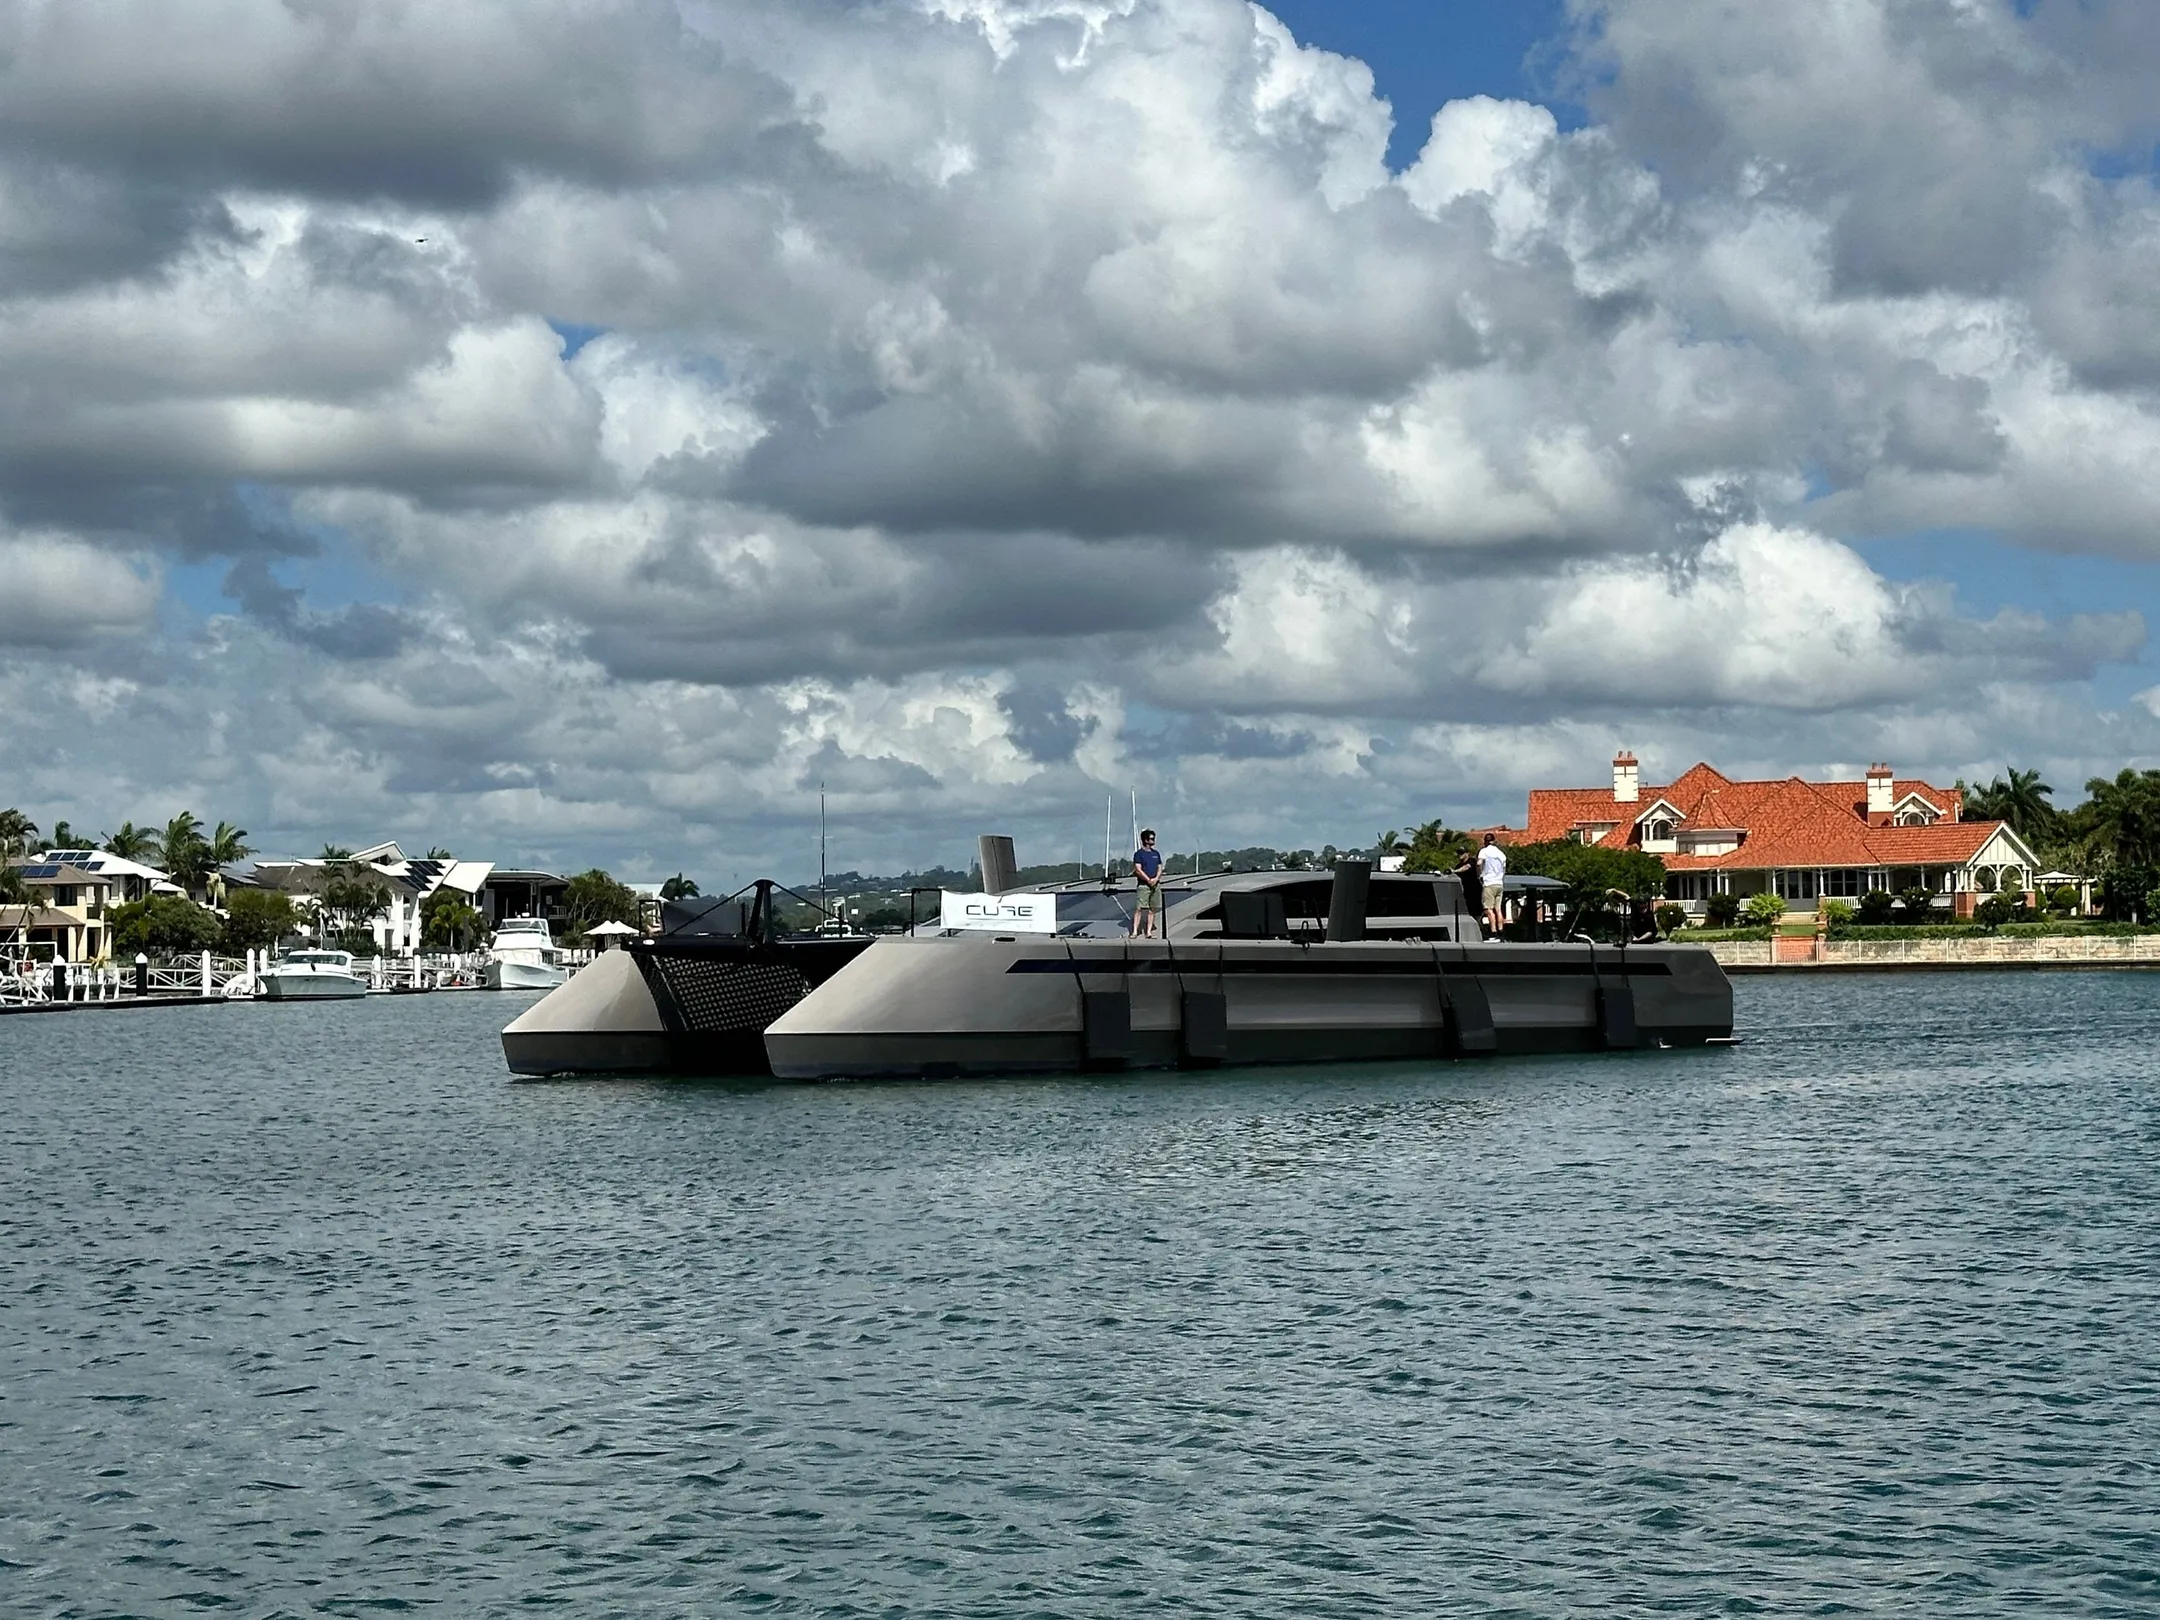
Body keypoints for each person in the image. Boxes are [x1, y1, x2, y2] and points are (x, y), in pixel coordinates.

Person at [1130, 828, 1164, 937]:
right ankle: (1135, 931)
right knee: (1139, 908)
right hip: (1144, 885)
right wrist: (1148, 880)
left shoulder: (1156, 854)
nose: (1153, 840)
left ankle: (1148, 932)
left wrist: (1156, 879)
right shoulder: (1139, 854)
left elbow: (1160, 867)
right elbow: (1138, 870)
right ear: (1145, 840)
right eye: (1151, 838)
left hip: (1155, 884)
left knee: (1152, 909)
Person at [1476, 832, 1508, 939]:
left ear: (1485, 841)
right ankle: (1501, 930)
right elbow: (1504, 869)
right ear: (1494, 841)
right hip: (1499, 883)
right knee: (1498, 909)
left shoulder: (1484, 851)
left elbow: (1479, 863)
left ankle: (1493, 932)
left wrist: (1480, 874)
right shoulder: (1501, 854)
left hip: (1489, 882)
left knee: (1488, 909)